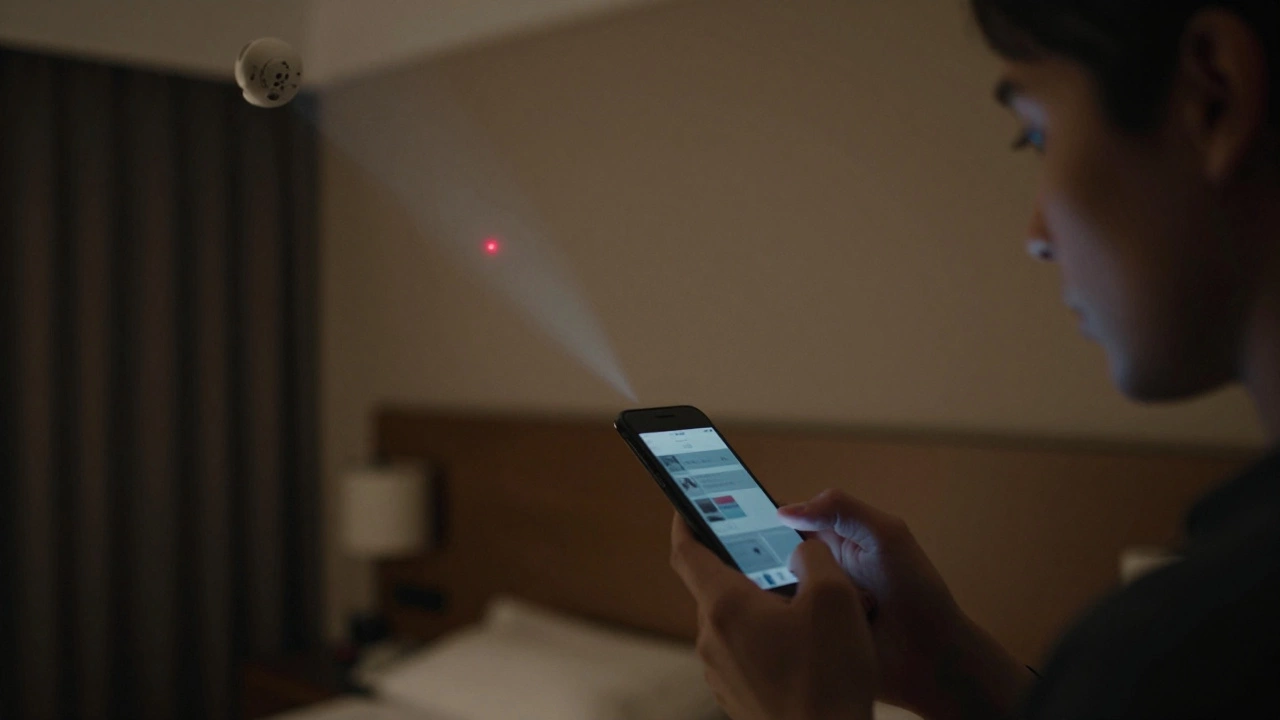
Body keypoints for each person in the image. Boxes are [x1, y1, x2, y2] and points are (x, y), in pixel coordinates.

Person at [669, 2, 1280, 719]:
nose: (1036, 236)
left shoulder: (1188, 653)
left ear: (1214, 94)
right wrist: (952, 669)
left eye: (1036, 134)